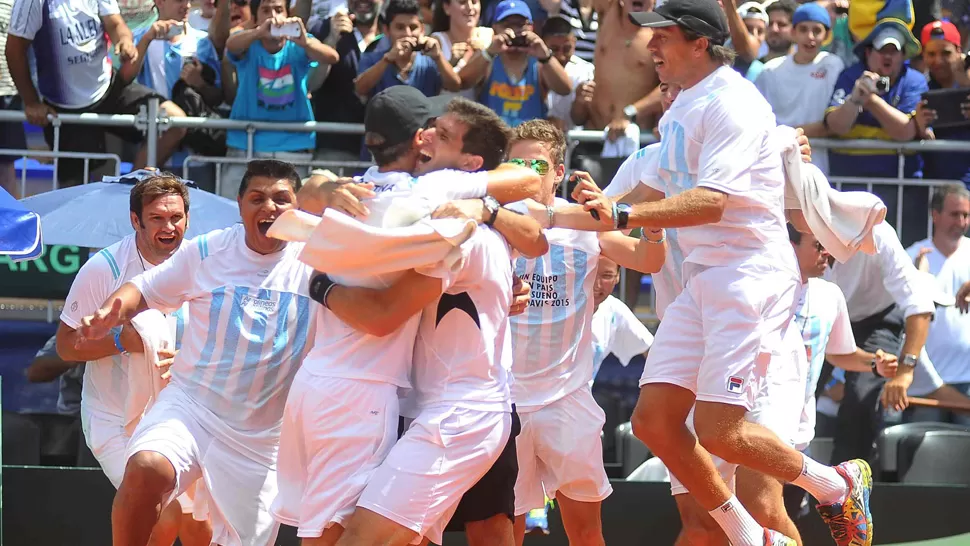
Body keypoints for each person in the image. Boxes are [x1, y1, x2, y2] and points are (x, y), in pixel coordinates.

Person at [541, 0, 876, 543]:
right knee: (653, 422)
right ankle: (753, 536)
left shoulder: (735, 103)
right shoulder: (680, 111)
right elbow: (636, 195)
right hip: (704, 284)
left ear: (700, 43)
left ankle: (834, 486)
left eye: (663, 36)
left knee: (725, 440)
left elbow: (711, 202)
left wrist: (621, 214)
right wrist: (547, 213)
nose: (650, 47)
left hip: (749, 278)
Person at [273, 89, 544, 546]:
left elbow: (383, 314)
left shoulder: (432, 201)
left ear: (470, 164)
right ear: (416, 140)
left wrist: (317, 277)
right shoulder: (429, 198)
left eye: (444, 135)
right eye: (431, 131)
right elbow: (531, 187)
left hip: (454, 410)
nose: (434, 139)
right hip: (405, 401)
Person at [77, 160, 316, 546]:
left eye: (280, 199)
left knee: (211, 536)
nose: (268, 208)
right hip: (192, 408)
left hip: (262, 436)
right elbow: (142, 290)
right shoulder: (209, 251)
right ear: (240, 205)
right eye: (257, 198)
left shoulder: (318, 262)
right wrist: (110, 312)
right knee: (146, 469)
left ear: (297, 206)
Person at [508, 119, 665, 546]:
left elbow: (650, 261)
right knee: (507, 533)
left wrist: (651, 219)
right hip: (503, 403)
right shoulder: (494, 223)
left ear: (559, 172)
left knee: (586, 534)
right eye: (516, 162)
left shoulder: (585, 225)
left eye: (537, 165)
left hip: (567, 399)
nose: (525, 173)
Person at [54, 175, 211, 546]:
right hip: (113, 419)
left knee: (200, 524)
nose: (168, 227)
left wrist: (191, 359)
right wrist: (124, 341)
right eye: (157, 218)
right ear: (135, 221)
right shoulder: (102, 269)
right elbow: (65, 346)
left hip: (183, 415)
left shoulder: (207, 264)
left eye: (176, 217)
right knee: (161, 510)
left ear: (188, 219)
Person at [5, 0, 188, 185]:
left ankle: (132, 190)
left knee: (174, 122)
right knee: (74, 192)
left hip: (108, 90)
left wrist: (124, 40)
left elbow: (116, 24)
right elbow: (14, 50)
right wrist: (31, 102)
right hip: (65, 107)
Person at [221, 0, 339, 198]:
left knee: (289, 219)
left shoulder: (300, 43)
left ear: (288, 14)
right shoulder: (249, 42)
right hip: (246, 145)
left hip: (292, 148)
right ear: (256, 16)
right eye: (266, 10)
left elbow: (331, 57)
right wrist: (259, 32)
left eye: (278, 9)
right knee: (233, 213)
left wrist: (305, 42)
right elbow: (230, 45)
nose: (273, 16)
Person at [906, 184, 970, 425]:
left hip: (967, 379)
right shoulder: (912, 256)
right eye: (955, 214)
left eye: (966, 215)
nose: (962, 221)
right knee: (927, 460)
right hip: (925, 383)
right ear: (935, 215)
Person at [755, 3, 844, 174]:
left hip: (815, 167)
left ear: (827, 35)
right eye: (803, 29)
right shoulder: (769, 71)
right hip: (774, 163)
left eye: (817, 30)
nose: (810, 36)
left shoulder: (833, 65)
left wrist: (787, 135)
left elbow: (832, 123)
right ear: (793, 32)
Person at [457, 0, 571, 127]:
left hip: (529, 141)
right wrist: (489, 52)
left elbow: (565, 89)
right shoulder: (487, 61)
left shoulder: (539, 65)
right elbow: (462, 82)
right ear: (495, 27)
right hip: (494, 140)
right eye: (508, 25)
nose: (515, 30)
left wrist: (545, 56)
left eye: (520, 24)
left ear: (531, 27)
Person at [354, 0, 462, 99]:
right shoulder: (372, 58)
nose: (407, 33)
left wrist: (439, 57)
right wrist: (386, 60)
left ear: (422, 30)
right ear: (386, 30)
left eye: (413, 27)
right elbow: (360, 89)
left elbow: (455, 86)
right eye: (400, 27)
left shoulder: (431, 62)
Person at [916, 20, 970, 184]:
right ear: (923, 55)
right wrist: (919, 127)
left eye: (946, 53)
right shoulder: (919, 87)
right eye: (931, 54)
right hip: (934, 183)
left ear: (958, 51)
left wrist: (966, 85)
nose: (938, 61)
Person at [589, 255, 653, 385]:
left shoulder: (612, 308)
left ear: (618, 277)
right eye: (590, 273)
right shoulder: (551, 306)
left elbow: (653, 353)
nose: (597, 284)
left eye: (606, 275)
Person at [541, 15, 595, 133]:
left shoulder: (585, 71)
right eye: (554, 49)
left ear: (574, 43)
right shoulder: (530, 67)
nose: (561, 56)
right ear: (542, 44)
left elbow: (579, 120)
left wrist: (580, 102)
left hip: (573, 143)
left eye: (566, 49)